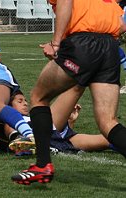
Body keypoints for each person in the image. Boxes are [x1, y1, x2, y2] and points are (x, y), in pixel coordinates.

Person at [11, 0, 126, 185]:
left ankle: (43, 166)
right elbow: (121, 25)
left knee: (38, 97)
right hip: (110, 48)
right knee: (108, 122)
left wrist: (56, 44)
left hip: (83, 44)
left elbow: (65, 1)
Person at [7, 89, 114, 156]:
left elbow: (59, 137)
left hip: (61, 138)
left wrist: (70, 121)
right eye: (19, 101)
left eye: (25, 101)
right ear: (9, 107)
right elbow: (11, 134)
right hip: (42, 133)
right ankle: (83, 69)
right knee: (74, 88)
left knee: (107, 139)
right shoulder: (11, 120)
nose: (25, 104)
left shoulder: (30, 117)